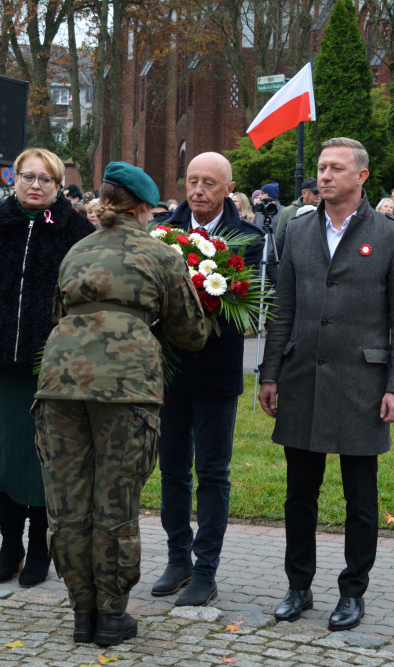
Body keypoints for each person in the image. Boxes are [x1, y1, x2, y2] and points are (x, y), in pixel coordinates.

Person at [32, 161, 207, 647]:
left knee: (68, 503)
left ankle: (81, 613)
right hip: (126, 390)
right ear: (144, 208)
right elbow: (192, 334)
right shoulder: (159, 255)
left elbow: (57, 316)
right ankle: (111, 615)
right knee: (115, 501)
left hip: (58, 386)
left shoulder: (75, 252)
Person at [258, 137, 394, 632]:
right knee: (299, 494)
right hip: (302, 378)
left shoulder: (391, 234)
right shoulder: (299, 230)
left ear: (361, 176)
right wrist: (269, 373)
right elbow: (282, 309)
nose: (324, 176)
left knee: (359, 498)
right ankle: (298, 585)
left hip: (361, 383)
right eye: (321, 167)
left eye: (336, 168)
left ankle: (353, 591)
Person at [0, 148, 93, 589]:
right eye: (28, 177)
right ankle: (9, 545)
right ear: (13, 180)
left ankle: (40, 546)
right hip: (3, 360)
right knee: (5, 454)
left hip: (52, 365)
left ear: (58, 187)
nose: (35, 186)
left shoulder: (77, 232)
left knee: (46, 457)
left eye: (46, 180)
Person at [147, 151, 264, 608]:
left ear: (227, 188)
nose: (198, 190)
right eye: (192, 180)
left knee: (212, 473)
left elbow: (251, 308)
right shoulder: (160, 234)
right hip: (169, 371)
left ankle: (206, 568)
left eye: (209, 183)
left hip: (216, 373)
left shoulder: (249, 240)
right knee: (172, 469)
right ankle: (178, 558)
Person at [275, 177, 320, 242]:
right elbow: (279, 241)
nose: (319, 195)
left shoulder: (326, 211)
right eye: (315, 192)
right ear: (304, 193)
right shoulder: (287, 212)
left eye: (320, 191)